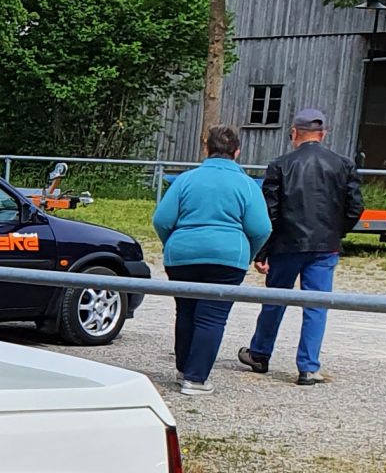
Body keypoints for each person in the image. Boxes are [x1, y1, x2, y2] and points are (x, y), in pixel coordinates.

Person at [238, 108, 362, 385]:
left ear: (294, 133)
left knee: (275, 299)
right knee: (317, 305)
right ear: (323, 134)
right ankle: (308, 367)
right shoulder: (343, 165)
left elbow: (270, 212)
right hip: (325, 245)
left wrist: (263, 250)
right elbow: (355, 207)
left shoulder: (280, 165)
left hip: (286, 244)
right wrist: (336, 232)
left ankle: (260, 353)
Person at [149, 125, 271, 396]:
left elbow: (161, 220)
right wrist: (247, 254)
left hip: (182, 256)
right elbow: (261, 228)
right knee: (212, 317)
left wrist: (173, 244)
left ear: (206, 149)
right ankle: (196, 378)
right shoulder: (246, 184)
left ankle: (183, 369)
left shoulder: (186, 180)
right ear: (237, 152)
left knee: (185, 311)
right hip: (227, 259)